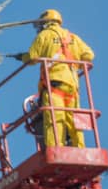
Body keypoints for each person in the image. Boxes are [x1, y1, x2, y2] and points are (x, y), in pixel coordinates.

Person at [11, 9, 94, 148]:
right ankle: (80, 148)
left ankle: (55, 148)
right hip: (73, 86)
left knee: (54, 118)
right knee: (75, 120)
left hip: (54, 84)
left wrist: (21, 57)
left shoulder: (45, 35)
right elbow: (89, 56)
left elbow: (32, 57)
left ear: (45, 23)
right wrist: (73, 64)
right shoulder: (72, 37)